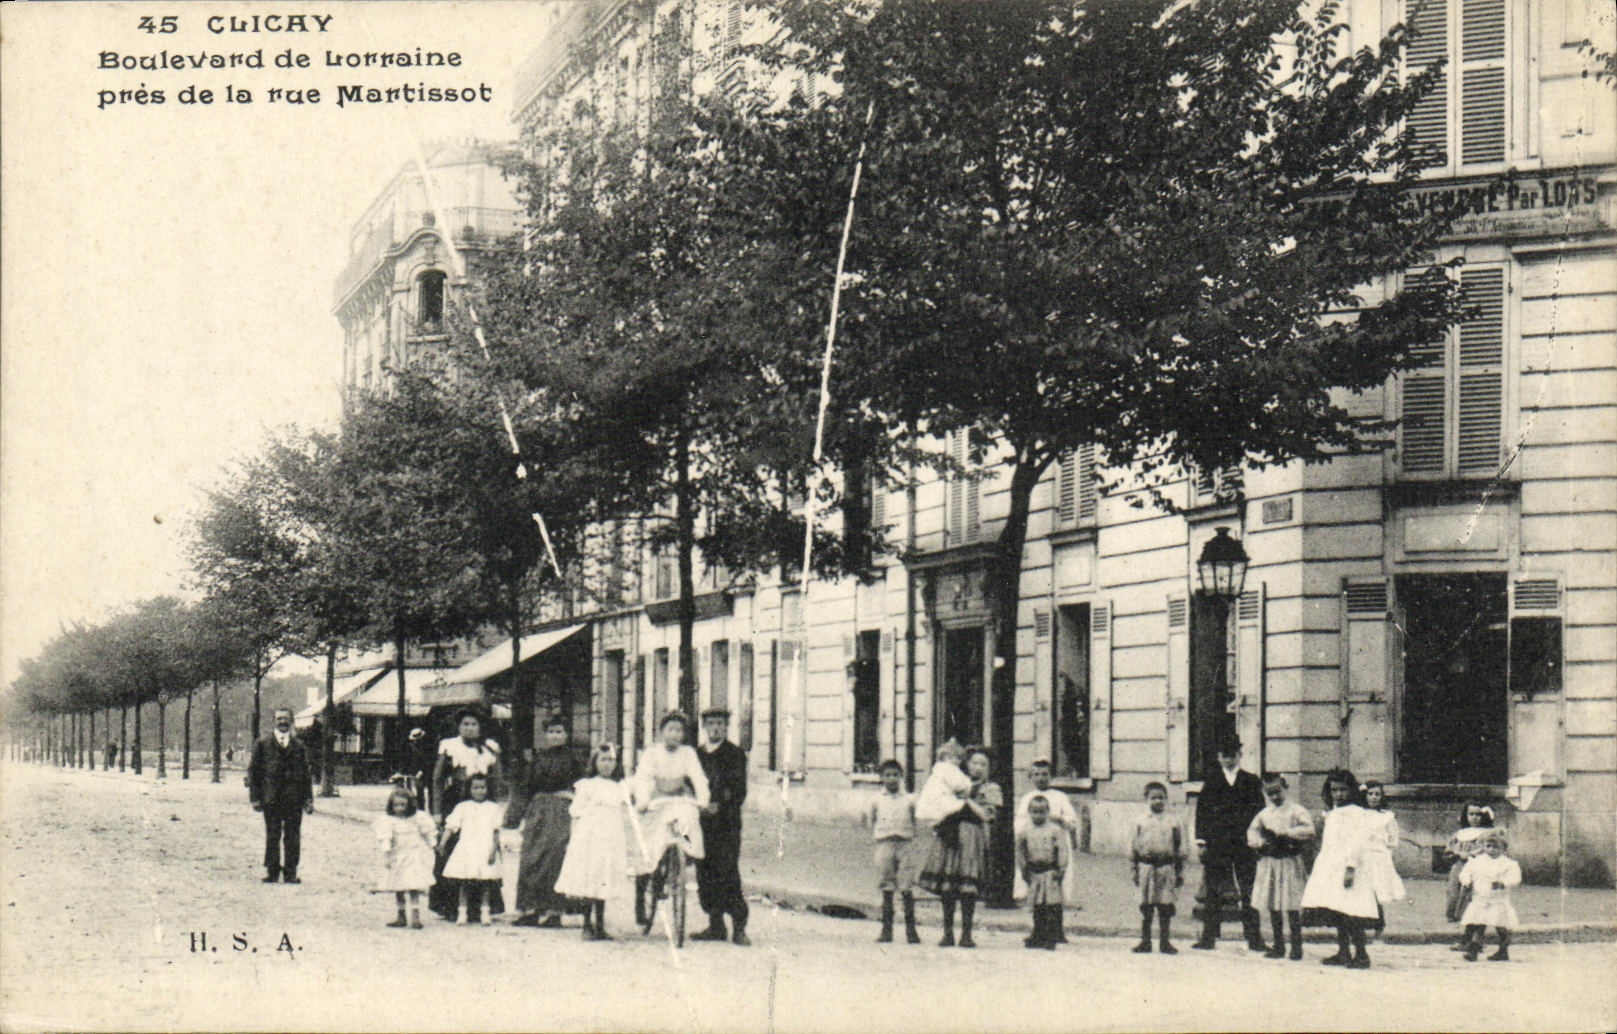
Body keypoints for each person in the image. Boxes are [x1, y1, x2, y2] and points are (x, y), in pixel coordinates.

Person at [630, 712, 710, 930]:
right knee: (647, 845)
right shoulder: (651, 753)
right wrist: (643, 800)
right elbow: (643, 778)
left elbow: (698, 777)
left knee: (688, 820)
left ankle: (681, 859)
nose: (675, 734)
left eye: (680, 730)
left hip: (678, 798)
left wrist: (703, 799)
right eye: (671, 729)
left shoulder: (688, 753)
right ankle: (641, 893)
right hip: (656, 799)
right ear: (662, 732)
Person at [918, 747, 1001, 948]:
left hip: (972, 836)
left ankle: (966, 933)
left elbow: (988, 815)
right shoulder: (953, 781)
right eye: (974, 763)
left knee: (967, 887)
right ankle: (947, 933)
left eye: (983, 764)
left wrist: (966, 801)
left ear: (989, 768)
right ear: (966, 764)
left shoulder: (990, 789)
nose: (978, 768)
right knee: (948, 886)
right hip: (950, 834)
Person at [1191, 735, 1266, 951]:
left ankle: (1254, 938)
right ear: (1219, 758)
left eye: (1233, 755)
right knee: (1214, 891)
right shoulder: (1212, 780)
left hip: (1244, 845)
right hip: (1218, 844)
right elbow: (1202, 812)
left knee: (1248, 890)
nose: (1229, 759)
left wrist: (1258, 840)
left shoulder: (1251, 781)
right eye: (1225, 755)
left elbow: (1259, 812)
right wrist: (1202, 841)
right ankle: (1208, 938)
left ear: (1240, 755)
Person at [1299, 769, 1379, 968]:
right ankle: (1343, 952)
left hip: (1348, 867)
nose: (1338, 794)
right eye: (1334, 790)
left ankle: (1361, 954)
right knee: (1337, 910)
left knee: (1351, 912)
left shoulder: (1357, 813)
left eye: (1343, 790)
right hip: (1330, 866)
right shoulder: (1333, 812)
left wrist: (1350, 867)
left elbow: (1358, 841)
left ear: (1351, 790)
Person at [430, 709, 504, 921]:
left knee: (481, 851)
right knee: (454, 852)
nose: (469, 728)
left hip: (482, 805)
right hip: (454, 802)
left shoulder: (489, 748)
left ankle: (481, 906)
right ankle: (451, 906)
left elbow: (497, 779)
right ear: (458, 727)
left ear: (480, 727)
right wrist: (436, 811)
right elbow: (436, 778)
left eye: (473, 724)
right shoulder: (449, 746)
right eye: (465, 724)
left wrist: (495, 808)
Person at [506, 717, 580, 928]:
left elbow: (581, 785)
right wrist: (515, 815)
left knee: (555, 857)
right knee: (531, 856)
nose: (555, 736)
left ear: (566, 734)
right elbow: (525, 787)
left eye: (559, 731)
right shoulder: (537, 759)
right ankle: (529, 910)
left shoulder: (573, 759)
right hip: (537, 810)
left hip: (561, 810)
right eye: (551, 731)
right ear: (545, 734)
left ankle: (553, 911)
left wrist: (572, 797)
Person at [554, 743, 633, 941]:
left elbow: (626, 812)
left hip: (611, 836)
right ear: (595, 762)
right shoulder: (587, 785)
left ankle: (600, 925)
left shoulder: (620, 787)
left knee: (604, 878)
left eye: (611, 760)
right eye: (603, 760)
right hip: (590, 835)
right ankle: (587, 925)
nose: (607, 764)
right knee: (590, 878)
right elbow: (576, 812)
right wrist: (573, 839)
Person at [693, 708, 750, 946]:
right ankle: (715, 924)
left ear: (726, 727)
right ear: (704, 727)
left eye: (720, 724)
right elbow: (691, 781)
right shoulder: (697, 755)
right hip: (702, 822)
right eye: (711, 724)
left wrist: (720, 803)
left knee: (727, 872)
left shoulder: (734, 754)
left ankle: (738, 927)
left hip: (725, 824)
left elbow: (738, 789)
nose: (716, 728)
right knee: (704, 872)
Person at [1246, 773, 1314, 960]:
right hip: (1271, 864)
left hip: (1289, 862)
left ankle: (1296, 946)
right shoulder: (1264, 814)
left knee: (1292, 905)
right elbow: (1252, 832)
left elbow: (1309, 829)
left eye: (1277, 792)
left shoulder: (1296, 810)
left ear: (1285, 787)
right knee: (1273, 904)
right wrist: (1260, 843)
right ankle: (1278, 945)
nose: (1275, 797)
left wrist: (1288, 833)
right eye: (1270, 794)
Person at [1014, 760, 1080, 937]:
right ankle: (1039, 931)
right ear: (1031, 776)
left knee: (1056, 891)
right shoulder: (1027, 798)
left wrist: (1059, 820)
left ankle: (1057, 930)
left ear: (1050, 776)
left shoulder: (1059, 797)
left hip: (1055, 849)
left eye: (1044, 774)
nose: (1041, 778)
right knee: (1036, 893)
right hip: (1035, 848)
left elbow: (1072, 821)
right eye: (1037, 774)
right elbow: (1019, 824)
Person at [247, 707, 314, 884]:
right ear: (274, 721)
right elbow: (254, 771)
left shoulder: (299, 746)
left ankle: (291, 872)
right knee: (272, 834)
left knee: (293, 836)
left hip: (294, 799)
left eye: (285, 719)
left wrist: (308, 799)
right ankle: (272, 871)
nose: (282, 722)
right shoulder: (262, 744)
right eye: (279, 719)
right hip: (271, 798)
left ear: (291, 721)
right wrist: (255, 798)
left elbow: (306, 774)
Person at [440, 773, 504, 925]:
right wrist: (442, 843)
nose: (479, 791)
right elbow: (451, 826)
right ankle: (462, 912)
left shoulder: (493, 808)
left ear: (488, 789)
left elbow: (496, 832)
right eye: (475, 788)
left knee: (486, 882)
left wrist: (494, 850)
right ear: (469, 789)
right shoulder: (462, 807)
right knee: (464, 881)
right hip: (467, 848)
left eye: (482, 788)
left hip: (485, 847)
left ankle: (485, 912)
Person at [1130, 781, 1186, 954]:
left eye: (1161, 797)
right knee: (1146, 907)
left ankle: (1164, 942)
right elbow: (1133, 846)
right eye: (1153, 798)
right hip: (1146, 867)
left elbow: (1180, 847)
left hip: (1165, 868)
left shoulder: (1173, 821)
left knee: (1165, 906)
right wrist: (1134, 869)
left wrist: (1179, 871)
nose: (1157, 801)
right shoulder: (1140, 821)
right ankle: (1145, 941)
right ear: (1146, 800)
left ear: (1166, 799)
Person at [869, 759, 920, 944]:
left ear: (901, 777)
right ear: (881, 778)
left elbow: (915, 820)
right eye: (887, 775)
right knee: (887, 887)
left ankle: (911, 932)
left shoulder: (909, 799)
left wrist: (910, 837)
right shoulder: (876, 799)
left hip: (904, 844)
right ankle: (886, 930)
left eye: (895, 775)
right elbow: (872, 820)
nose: (891, 779)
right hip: (884, 843)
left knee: (906, 887)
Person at [373, 782, 436, 929]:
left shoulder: (416, 818)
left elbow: (426, 832)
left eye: (403, 805)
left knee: (413, 885)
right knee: (399, 886)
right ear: (391, 806)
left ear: (409, 805)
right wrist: (387, 855)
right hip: (398, 856)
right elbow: (386, 839)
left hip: (413, 856)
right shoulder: (389, 821)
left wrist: (433, 844)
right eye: (396, 805)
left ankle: (415, 916)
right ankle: (401, 915)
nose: (399, 808)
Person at [1459, 828, 1520, 962]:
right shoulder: (1477, 861)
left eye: (1496, 847)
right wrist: (1467, 881)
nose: (1492, 850)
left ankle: (1503, 950)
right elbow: (1465, 873)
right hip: (1480, 898)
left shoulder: (1509, 864)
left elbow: (1515, 878)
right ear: (1483, 846)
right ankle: (1473, 949)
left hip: (1498, 900)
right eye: (1488, 846)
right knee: (1478, 924)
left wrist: (1503, 882)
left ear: (1504, 848)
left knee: (1501, 926)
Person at [1017, 795, 1069, 950]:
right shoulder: (1025, 830)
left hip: (1050, 871)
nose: (1038, 815)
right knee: (1037, 906)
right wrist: (1023, 868)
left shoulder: (1054, 829)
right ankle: (1037, 934)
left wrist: (1061, 869)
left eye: (1041, 812)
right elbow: (1020, 850)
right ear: (1029, 812)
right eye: (1034, 811)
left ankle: (1051, 936)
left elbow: (1062, 850)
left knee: (1051, 906)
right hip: (1034, 872)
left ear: (1047, 812)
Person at [1443, 800, 1494, 947]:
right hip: (1460, 866)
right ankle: (1458, 922)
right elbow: (1449, 850)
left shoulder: (1485, 834)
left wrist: (1472, 853)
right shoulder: (1460, 834)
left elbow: (1488, 849)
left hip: (1477, 867)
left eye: (1478, 815)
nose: (1475, 818)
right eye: (1471, 814)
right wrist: (1458, 853)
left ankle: (1473, 933)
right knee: (1455, 891)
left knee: (1471, 896)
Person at [1359, 780, 1405, 938]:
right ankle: (1362, 926)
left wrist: (1387, 856)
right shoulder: (1359, 814)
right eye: (1370, 794)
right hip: (1362, 856)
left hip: (1379, 857)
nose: (1373, 797)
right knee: (1363, 891)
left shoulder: (1386, 817)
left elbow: (1393, 839)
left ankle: (1378, 924)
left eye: (1377, 794)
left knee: (1377, 890)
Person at [914, 739, 971, 828]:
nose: (957, 761)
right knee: (952, 808)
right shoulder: (949, 769)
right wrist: (966, 785)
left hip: (930, 800)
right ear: (945, 757)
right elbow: (957, 784)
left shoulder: (938, 769)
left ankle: (936, 822)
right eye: (954, 757)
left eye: (959, 758)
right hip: (941, 798)